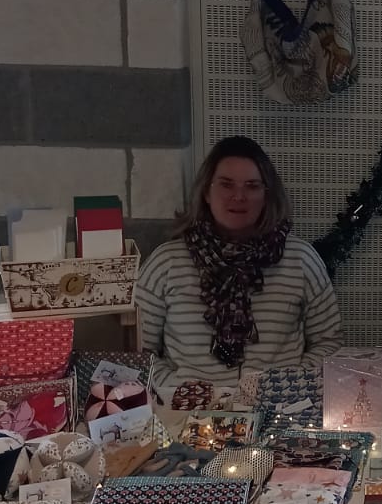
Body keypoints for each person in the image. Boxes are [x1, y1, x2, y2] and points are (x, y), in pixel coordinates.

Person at [135, 136, 341, 391]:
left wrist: (287, 384)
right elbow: (136, 352)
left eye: (252, 186)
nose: (239, 196)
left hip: (277, 406)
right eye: (226, 184)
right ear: (206, 192)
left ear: (266, 195)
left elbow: (328, 343)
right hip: (187, 409)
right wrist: (176, 389)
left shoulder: (301, 259)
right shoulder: (166, 263)